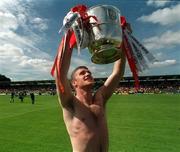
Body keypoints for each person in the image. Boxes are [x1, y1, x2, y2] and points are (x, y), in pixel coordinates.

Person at [55, 31, 126, 152]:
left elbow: (117, 72)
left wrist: (122, 37)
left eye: (89, 72)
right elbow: (60, 74)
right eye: (82, 73)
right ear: (74, 83)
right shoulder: (70, 103)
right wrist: (70, 36)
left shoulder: (100, 98)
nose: (88, 73)